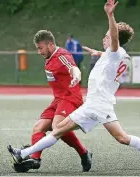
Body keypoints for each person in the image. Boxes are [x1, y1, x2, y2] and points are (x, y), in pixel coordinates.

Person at [8, 0, 140, 174]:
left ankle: (24, 153)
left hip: (96, 104)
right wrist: (99, 53)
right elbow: (111, 55)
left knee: (58, 129)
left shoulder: (115, 51)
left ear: (115, 39)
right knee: (122, 138)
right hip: (101, 104)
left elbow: (114, 39)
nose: (104, 38)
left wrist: (110, 15)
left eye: (107, 36)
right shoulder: (118, 55)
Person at [8, 29, 92, 172]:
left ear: (50, 44)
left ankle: (33, 156)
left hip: (70, 99)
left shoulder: (61, 55)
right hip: (58, 100)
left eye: (41, 48)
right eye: (37, 48)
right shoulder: (49, 58)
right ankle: (36, 158)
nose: (39, 52)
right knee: (38, 127)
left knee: (57, 126)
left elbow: (73, 68)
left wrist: (76, 76)